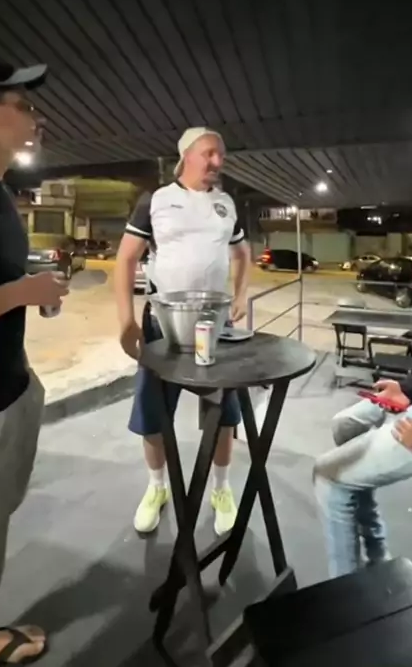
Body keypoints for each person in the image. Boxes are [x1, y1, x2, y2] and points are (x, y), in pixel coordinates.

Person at [314, 184, 412, 579]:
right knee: (345, 424)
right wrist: (409, 388)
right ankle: (377, 558)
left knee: (327, 477)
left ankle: (348, 596)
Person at [115, 127, 250, 536]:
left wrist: (241, 294)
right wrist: (126, 320)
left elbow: (242, 253)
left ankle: (221, 489)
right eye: (209, 153)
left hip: (214, 325)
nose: (217, 162)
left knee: (223, 414)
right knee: (153, 413)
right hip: (164, 325)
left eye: (221, 155)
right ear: (186, 155)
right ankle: (157, 488)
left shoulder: (226, 204)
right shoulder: (156, 200)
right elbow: (125, 260)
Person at [0, 59, 68, 665]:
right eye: (24, 104)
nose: (35, 117)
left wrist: (28, 288)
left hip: (5, 387)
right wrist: (22, 292)